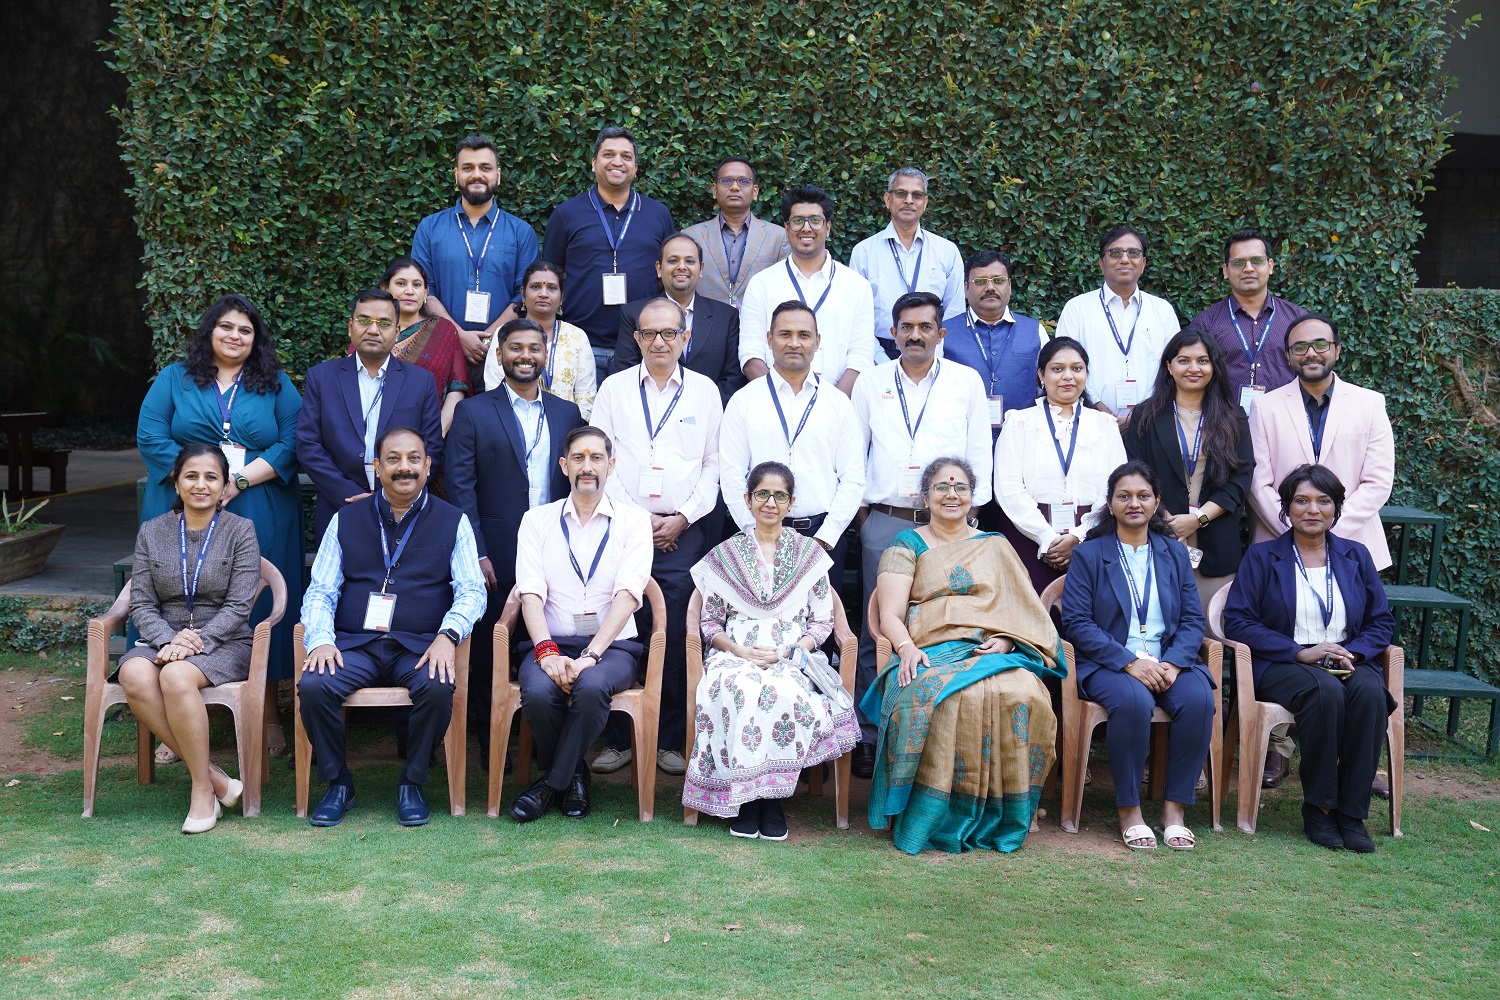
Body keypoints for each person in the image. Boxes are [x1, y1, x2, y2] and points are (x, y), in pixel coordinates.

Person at [864, 457, 1064, 854]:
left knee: (1025, 694)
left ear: (973, 498)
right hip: (929, 650)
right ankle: (930, 814)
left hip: (993, 649)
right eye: (941, 487)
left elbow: (1020, 609)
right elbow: (889, 614)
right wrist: (905, 648)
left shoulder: (996, 545)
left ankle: (1007, 811)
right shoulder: (906, 545)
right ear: (925, 496)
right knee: (943, 698)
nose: (951, 494)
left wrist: (1008, 640)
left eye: (960, 488)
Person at [136, 292, 304, 758]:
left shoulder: (275, 383)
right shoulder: (175, 379)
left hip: (259, 503)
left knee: (255, 600)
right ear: (210, 331)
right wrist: (201, 481)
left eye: (245, 330)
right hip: (184, 501)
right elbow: (150, 434)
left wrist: (240, 480)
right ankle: (176, 713)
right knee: (180, 590)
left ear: (257, 339)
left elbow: (293, 441)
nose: (235, 336)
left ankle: (268, 713)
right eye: (226, 327)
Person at [297, 426, 486, 827]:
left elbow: (472, 591)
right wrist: (320, 642)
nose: (405, 468)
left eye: (414, 459)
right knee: (314, 686)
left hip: (418, 647)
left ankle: (412, 782)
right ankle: (338, 783)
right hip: (355, 645)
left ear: (428, 465)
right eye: (394, 459)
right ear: (377, 467)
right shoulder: (345, 519)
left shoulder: (454, 521)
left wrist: (447, 636)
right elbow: (320, 590)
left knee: (437, 688)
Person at [850, 290, 993, 778]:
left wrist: (971, 519)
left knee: (944, 625)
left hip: (951, 524)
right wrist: (866, 519)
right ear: (892, 333)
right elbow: (854, 454)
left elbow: (980, 454)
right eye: (906, 327)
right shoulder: (870, 383)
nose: (915, 335)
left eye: (925, 327)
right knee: (880, 629)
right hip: (885, 521)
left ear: (941, 333)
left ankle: (938, 734)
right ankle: (871, 736)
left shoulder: (965, 382)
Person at [1222, 464, 1397, 852]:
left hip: (1347, 660)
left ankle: (1351, 814)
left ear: (1337, 507)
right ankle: (1319, 808)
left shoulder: (1357, 555)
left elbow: (1381, 621)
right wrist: (1300, 652)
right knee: (1324, 694)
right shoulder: (1262, 556)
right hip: (1285, 664)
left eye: (1323, 501)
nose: (1312, 509)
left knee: (1370, 695)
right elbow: (1237, 621)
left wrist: (1353, 652)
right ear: (1286, 508)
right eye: (1301, 500)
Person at [684, 461, 860, 839]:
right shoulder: (725, 555)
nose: (770, 502)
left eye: (780, 496)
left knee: (785, 691)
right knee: (740, 688)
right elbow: (710, 623)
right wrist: (739, 652)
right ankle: (750, 803)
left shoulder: (810, 556)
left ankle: (771, 799)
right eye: (762, 494)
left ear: (791, 502)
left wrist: (790, 650)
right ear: (747, 500)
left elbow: (822, 623)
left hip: (792, 656)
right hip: (735, 656)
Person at [591, 297, 724, 777]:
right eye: (650, 334)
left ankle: (669, 738)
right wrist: (636, 517)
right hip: (623, 529)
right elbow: (600, 458)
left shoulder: (705, 392)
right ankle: (616, 739)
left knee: (673, 635)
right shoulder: (613, 389)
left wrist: (682, 518)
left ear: (685, 338)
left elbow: (714, 464)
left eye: (670, 333)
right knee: (622, 629)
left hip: (683, 534)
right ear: (637, 339)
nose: (660, 342)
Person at [446, 317, 585, 765]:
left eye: (534, 348)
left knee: (553, 638)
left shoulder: (566, 412)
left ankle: (551, 746)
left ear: (545, 356)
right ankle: (496, 748)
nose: (525, 356)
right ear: (500, 355)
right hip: (497, 548)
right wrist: (478, 551)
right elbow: (460, 487)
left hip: (556, 548)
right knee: (493, 646)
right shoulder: (474, 411)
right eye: (516, 348)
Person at [1060, 461, 1217, 851]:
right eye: (1124, 496)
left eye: (1143, 495)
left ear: (1157, 502)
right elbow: (1077, 623)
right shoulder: (1090, 555)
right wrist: (1131, 662)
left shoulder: (1174, 554)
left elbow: (1193, 618)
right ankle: (1129, 810)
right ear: (1110, 504)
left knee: (1199, 700)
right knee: (1132, 701)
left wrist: (1176, 662)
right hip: (1111, 663)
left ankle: (1174, 811)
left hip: (1169, 661)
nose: (1134, 503)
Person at [508, 426, 655, 822]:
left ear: (611, 465)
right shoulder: (536, 521)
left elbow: (628, 595)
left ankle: (548, 786)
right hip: (551, 641)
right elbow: (531, 594)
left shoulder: (634, 522)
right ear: (564, 465)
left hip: (611, 648)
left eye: (596, 458)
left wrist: (591, 654)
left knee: (590, 689)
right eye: (578, 457)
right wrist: (546, 651)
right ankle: (574, 776)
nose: (587, 466)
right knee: (538, 692)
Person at [117, 444, 263, 833]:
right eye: (192, 476)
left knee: (176, 676)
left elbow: (239, 605)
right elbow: (142, 603)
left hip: (225, 639)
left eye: (211, 477)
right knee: (133, 674)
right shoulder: (153, 531)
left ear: (223, 485)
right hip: (162, 637)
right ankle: (216, 778)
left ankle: (202, 790)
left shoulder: (240, 531)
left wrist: (193, 642)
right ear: (177, 483)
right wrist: (169, 640)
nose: (201, 485)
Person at [720, 301, 865, 599]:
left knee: (820, 634)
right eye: (785, 334)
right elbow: (731, 475)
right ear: (769, 339)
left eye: (804, 335)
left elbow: (853, 479)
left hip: (821, 536)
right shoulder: (743, 401)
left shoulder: (838, 403)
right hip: (758, 534)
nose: (794, 343)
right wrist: (754, 535)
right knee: (760, 632)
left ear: (818, 341)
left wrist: (826, 538)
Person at [1248, 314, 1395, 569]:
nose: (1311, 353)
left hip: (1354, 546)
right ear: (1288, 356)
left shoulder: (1370, 403)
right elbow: (1258, 483)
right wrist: (1295, 528)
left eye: (1321, 344)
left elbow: (1378, 481)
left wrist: (1328, 529)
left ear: (1337, 350)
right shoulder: (1264, 407)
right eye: (1300, 347)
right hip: (1278, 545)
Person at [296, 289, 443, 542]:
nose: (373, 330)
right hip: (339, 507)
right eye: (364, 321)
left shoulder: (420, 381)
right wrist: (347, 493)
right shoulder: (322, 378)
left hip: (404, 509)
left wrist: (396, 496)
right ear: (350, 327)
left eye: (384, 323)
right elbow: (308, 444)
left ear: (397, 332)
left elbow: (432, 447)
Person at [1123, 328, 1254, 608]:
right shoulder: (1146, 417)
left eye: (1203, 361)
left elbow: (1241, 477)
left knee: (1213, 634)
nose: (1193, 368)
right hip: (1156, 536)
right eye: (1184, 360)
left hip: (1216, 543)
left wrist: (1199, 519)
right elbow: (1135, 474)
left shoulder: (1234, 417)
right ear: (1169, 366)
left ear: (1214, 367)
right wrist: (1166, 521)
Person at [542, 126, 676, 385]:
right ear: (594, 163)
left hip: (642, 346)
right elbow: (552, 274)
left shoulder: (658, 214)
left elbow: (665, 276)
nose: (617, 162)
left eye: (626, 156)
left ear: (636, 167)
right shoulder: (567, 214)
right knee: (582, 423)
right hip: (582, 344)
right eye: (608, 154)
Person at [994, 337, 1127, 593]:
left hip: (1093, 535)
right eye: (1057, 369)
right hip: (1027, 534)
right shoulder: (1019, 422)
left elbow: (1115, 488)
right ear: (1041, 375)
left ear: (1086, 375)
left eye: (1076, 368)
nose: (1068, 376)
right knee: (1031, 619)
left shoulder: (1105, 425)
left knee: (1088, 619)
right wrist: (1046, 537)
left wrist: (1079, 535)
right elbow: (1007, 489)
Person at [410, 134, 540, 384]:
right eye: (468, 168)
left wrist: (491, 339)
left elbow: (524, 295)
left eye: (485, 168)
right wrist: (458, 335)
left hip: (501, 355)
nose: (476, 174)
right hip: (441, 349)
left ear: (498, 175)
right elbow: (425, 290)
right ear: (456, 174)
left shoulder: (521, 232)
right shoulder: (429, 228)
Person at [738, 185, 875, 394]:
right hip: (773, 404)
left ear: (828, 227)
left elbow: (861, 357)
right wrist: (777, 398)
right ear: (786, 228)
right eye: (798, 221)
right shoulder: (761, 284)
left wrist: (832, 404)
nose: (806, 228)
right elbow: (750, 354)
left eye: (816, 220)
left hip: (838, 407)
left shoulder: (856, 286)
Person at [1053, 225, 1180, 428]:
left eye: (1133, 253)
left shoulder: (1162, 311)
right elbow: (1063, 365)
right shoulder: (1077, 308)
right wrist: (1097, 406)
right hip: (1089, 421)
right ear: (1101, 263)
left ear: (1144, 263)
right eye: (1115, 253)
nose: (1124, 259)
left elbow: (1173, 368)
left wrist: (1141, 413)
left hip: (1151, 423)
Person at [610, 232, 745, 405]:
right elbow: (627, 374)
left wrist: (702, 410)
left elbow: (732, 378)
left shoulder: (726, 316)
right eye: (673, 261)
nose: (682, 267)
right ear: (659, 268)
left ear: (701, 269)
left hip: (709, 417)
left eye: (690, 261)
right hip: (650, 415)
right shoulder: (633, 313)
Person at [848, 168, 964, 361]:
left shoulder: (947, 251)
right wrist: (881, 361)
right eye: (901, 193)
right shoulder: (864, 252)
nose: (909, 200)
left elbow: (954, 313)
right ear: (887, 200)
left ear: (925, 203)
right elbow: (858, 317)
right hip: (879, 354)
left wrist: (934, 357)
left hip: (934, 354)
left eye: (917, 195)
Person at [1188, 229, 1306, 411]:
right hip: (1226, 428)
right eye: (1238, 263)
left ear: (1270, 265)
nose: (1248, 268)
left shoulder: (1298, 319)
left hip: (1287, 423)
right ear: (1226, 270)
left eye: (1257, 261)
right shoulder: (1206, 324)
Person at [940, 250, 1045, 437]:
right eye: (980, 281)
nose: (990, 287)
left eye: (998, 280)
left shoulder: (1035, 331)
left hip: (1024, 438)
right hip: (960, 438)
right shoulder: (943, 333)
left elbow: (1049, 387)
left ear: (1010, 286)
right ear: (965, 288)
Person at [481, 260, 597, 419]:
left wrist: (570, 433)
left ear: (562, 297)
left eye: (552, 288)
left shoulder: (576, 337)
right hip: (510, 428)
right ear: (523, 294)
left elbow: (586, 398)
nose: (543, 293)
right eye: (536, 287)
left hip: (567, 430)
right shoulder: (505, 333)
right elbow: (493, 387)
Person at [682, 156, 791, 308]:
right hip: (706, 326)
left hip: (759, 325)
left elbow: (785, 289)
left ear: (755, 191)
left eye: (743, 181)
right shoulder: (691, 237)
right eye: (726, 181)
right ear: (714, 190)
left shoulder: (779, 237)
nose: (734, 187)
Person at [378, 256, 469, 434]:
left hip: (431, 432)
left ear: (426, 292)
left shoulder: (443, 330)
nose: (410, 291)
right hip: (378, 431)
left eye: (417, 285)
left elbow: (457, 387)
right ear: (385, 289)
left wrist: (437, 432)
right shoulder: (372, 330)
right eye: (401, 284)